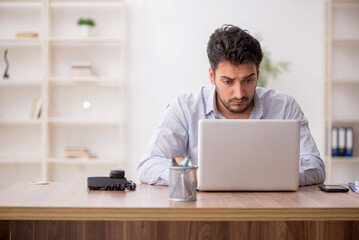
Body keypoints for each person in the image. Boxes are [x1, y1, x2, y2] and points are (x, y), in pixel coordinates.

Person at [137, 24, 326, 186]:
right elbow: (148, 165)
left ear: (258, 73)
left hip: (270, 209)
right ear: (212, 76)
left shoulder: (285, 106)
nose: (239, 93)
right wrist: (195, 176)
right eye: (228, 82)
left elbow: (315, 166)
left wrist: (275, 177)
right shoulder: (185, 107)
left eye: (248, 80)